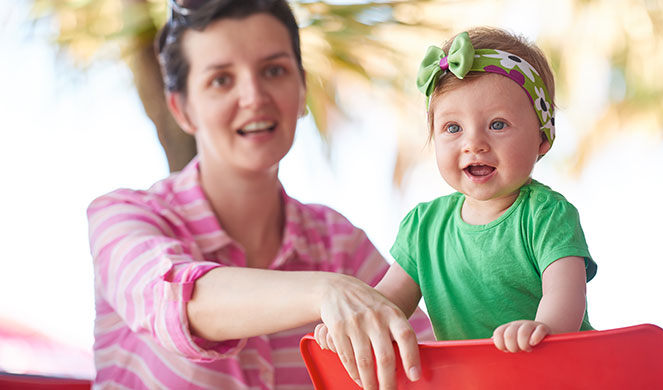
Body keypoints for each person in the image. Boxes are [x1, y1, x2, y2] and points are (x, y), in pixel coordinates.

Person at [85, 0, 432, 388]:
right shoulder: (122, 216)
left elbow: (427, 359)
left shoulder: (342, 246)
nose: (254, 96)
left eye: (273, 70)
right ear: (181, 109)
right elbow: (180, 300)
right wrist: (326, 290)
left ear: (301, 90)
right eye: (221, 79)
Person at [314, 27, 598, 389]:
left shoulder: (546, 214)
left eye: (497, 124)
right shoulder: (424, 226)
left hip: (555, 374)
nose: (473, 143)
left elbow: (566, 293)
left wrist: (545, 330)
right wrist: (352, 323)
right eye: (452, 128)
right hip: (475, 379)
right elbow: (387, 303)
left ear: (542, 139)